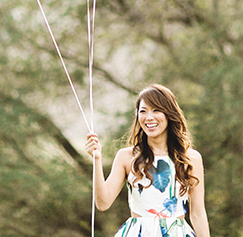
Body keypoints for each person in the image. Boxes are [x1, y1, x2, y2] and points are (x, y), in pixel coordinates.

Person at [85, 84, 211, 237]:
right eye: (143, 111)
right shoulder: (126, 157)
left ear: (169, 114)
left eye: (156, 110)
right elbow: (103, 203)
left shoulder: (191, 159)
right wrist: (97, 159)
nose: (149, 117)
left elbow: (197, 214)